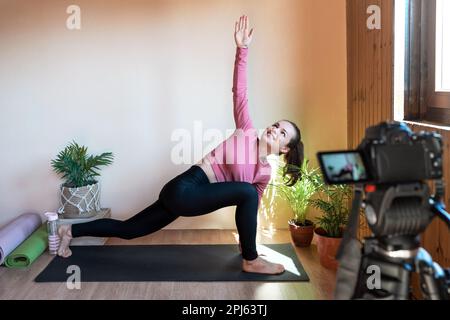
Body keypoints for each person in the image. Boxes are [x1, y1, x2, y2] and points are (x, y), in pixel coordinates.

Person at [57, 15, 304, 275]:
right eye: (276, 125)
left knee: (128, 230)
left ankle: (69, 230)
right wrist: (242, 49)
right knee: (245, 192)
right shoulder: (246, 131)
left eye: (282, 133)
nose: (275, 130)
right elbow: (240, 91)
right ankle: (251, 261)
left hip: (191, 198)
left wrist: (247, 243)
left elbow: (249, 210)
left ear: (285, 149)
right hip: (184, 189)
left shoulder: (264, 173)